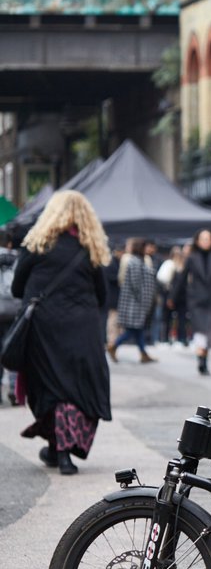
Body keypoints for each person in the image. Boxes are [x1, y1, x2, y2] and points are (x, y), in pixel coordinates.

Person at [10, 190, 112, 474]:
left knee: (52, 388)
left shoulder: (37, 245)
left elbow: (17, 289)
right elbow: (103, 296)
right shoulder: (89, 248)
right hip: (82, 329)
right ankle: (61, 451)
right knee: (76, 389)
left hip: (44, 328)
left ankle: (59, 450)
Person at [170, 229, 211, 375]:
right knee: (200, 331)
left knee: (210, 332)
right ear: (197, 241)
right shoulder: (192, 258)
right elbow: (181, 279)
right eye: (202, 239)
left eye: (208, 239)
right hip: (196, 300)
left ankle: (204, 357)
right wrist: (172, 298)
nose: (205, 241)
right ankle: (201, 360)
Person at [106, 237, 157, 363]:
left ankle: (143, 353)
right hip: (135, 304)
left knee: (137, 329)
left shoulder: (139, 261)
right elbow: (136, 285)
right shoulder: (135, 262)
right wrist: (143, 302)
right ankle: (114, 345)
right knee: (133, 330)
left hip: (136, 303)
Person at [0, 228, 21, 406]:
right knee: (12, 348)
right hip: (13, 309)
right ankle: (14, 389)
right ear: (9, 243)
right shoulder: (18, 258)